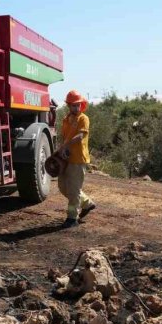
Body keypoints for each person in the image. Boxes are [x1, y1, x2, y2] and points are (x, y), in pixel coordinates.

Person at [57, 90, 96, 228]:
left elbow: (80, 136)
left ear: (81, 105)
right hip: (66, 159)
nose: (76, 107)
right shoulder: (66, 119)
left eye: (78, 105)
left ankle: (72, 218)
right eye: (73, 105)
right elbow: (64, 137)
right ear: (68, 105)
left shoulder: (83, 119)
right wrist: (61, 150)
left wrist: (65, 146)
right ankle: (87, 203)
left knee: (74, 190)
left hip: (78, 159)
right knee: (62, 187)